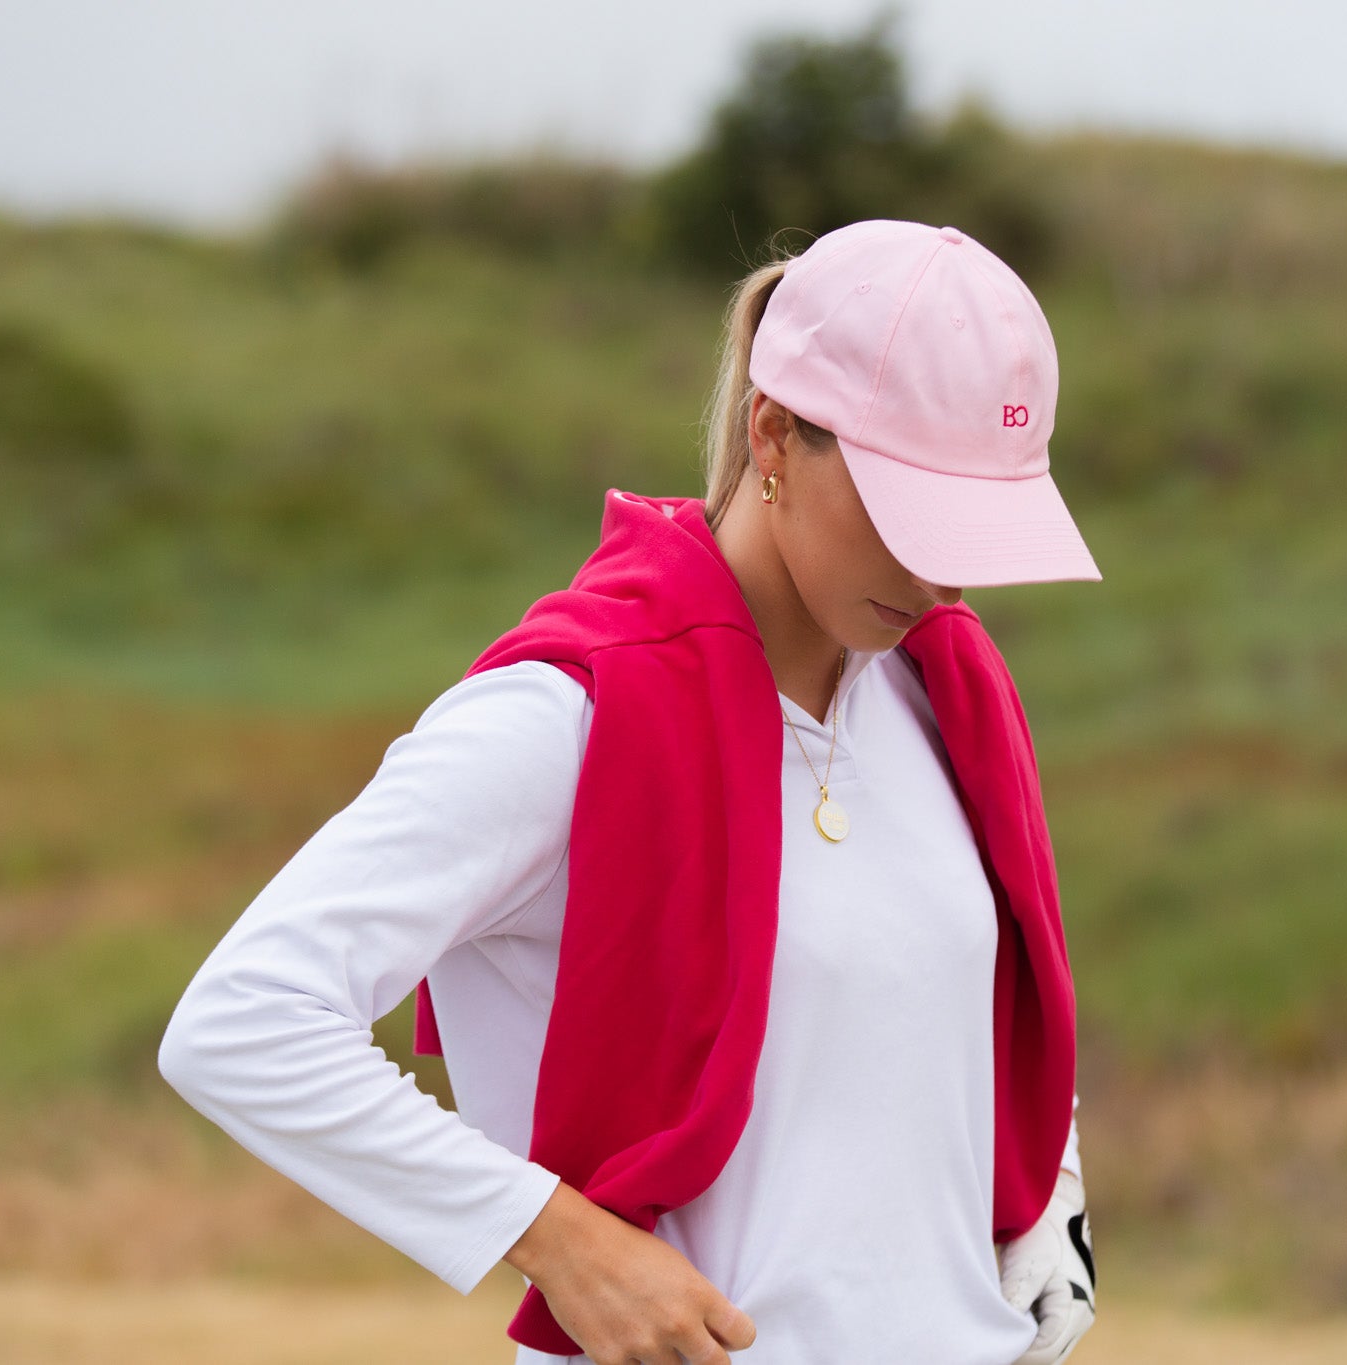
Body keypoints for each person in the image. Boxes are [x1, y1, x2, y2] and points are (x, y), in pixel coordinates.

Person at [158, 217, 1103, 1364]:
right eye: (910, 515)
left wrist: (1049, 1197)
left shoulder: (945, 699)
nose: (942, 572)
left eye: (973, 527)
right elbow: (242, 1021)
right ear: (773, 433)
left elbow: (985, 1006)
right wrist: (557, 1240)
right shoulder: (565, 719)